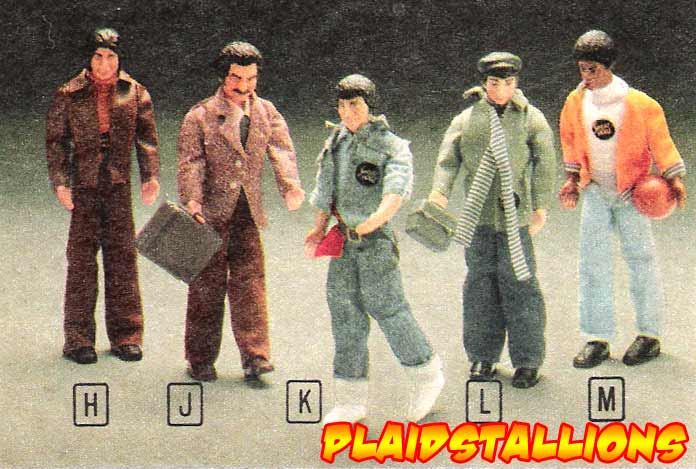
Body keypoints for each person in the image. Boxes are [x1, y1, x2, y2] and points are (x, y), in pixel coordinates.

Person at [305, 74, 444, 423]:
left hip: (375, 243)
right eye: (342, 106)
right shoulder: (336, 142)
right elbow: (325, 188)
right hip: (343, 243)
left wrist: (376, 220)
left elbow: (396, 190)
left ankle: (426, 374)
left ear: (370, 106)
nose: (347, 112)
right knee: (345, 316)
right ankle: (350, 398)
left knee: (389, 309)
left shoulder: (391, 146)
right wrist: (319, 227)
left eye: (355, 105)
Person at [177, 41, 304, 382]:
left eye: (251, 78)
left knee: (251, 285)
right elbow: (191, 163)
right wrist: (192, 201)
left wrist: (290, 185)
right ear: (223, 77)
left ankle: (256, 356)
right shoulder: (200, 116)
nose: (244, 86)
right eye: (236, 78)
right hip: (211, 214)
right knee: (206, 287)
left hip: (247, 212)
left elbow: (282, 150)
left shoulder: (265, 112)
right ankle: (200, 358)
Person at [559, 30, 686, 368]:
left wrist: (674, 178)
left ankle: (649, 334)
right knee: (592, 264)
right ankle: (597, 337)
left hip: (633, 193)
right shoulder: (575, 103)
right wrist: (572, 179)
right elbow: (570, 141)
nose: (586, 76)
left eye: (593, 69)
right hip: (596, 192)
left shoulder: (641, 105)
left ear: (608, 66)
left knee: (641, 260)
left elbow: (661, 142)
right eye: (582, 69)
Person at [428, 52, 556, 388]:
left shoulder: (530, 119)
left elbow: (544, 162)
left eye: (508, 83)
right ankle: (482, 355)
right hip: (479, 216)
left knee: (521, 286)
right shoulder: (468, 119)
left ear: (516, 83)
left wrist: (540, 205)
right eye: (495, 83)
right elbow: (448, 160)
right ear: (484, 83)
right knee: (480, 287)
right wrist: (440, 191)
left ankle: (527, 360)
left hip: (516, 215)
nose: (501, 90)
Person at [46, 27, 160, 365]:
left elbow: (147, 140)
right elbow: (56, 143)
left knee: (122, 259)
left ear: (120, 59)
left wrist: (150, 176)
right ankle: (78, 339)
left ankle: (127, 335)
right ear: (89, 58)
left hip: (118, 185)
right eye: (98, 56)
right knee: (81, 261)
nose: (104, 64)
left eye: (111, 57)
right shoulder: (69, 93)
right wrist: (61, 182)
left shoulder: (134, 93)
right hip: (84, 186)